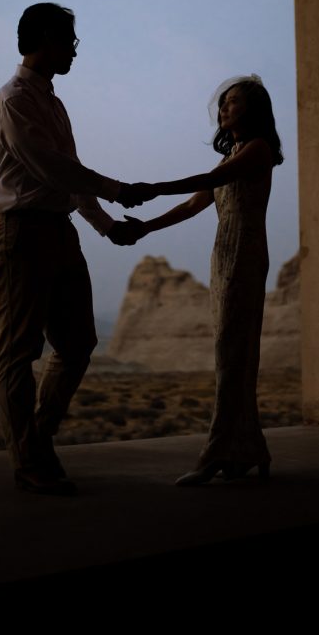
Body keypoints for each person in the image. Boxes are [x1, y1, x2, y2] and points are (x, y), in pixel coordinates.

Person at [0, 3, 142, 496]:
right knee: (20, 351)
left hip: (58, 230)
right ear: (46, 38)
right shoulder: (13, 100)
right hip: (21, 233)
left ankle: (38, 440)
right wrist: (118, 191)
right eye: (69, 39)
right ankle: (29, 459)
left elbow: (68, 174)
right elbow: (52, 169)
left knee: (77, 344)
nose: (74, 49)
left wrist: (105, 225)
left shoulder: (51, 101)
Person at [123, 75, 284, 486]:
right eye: (223, 102)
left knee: (233, 356)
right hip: (224, 255)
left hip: (245, 255)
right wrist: (146, 228)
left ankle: (216, 451)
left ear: (253, 109)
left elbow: (206, 183)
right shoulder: (233, 152)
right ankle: (249, 449)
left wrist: (152, 188)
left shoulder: (257, 150)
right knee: (232, 355)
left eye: (233, 102)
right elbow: (195, 204)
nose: (223, 108)